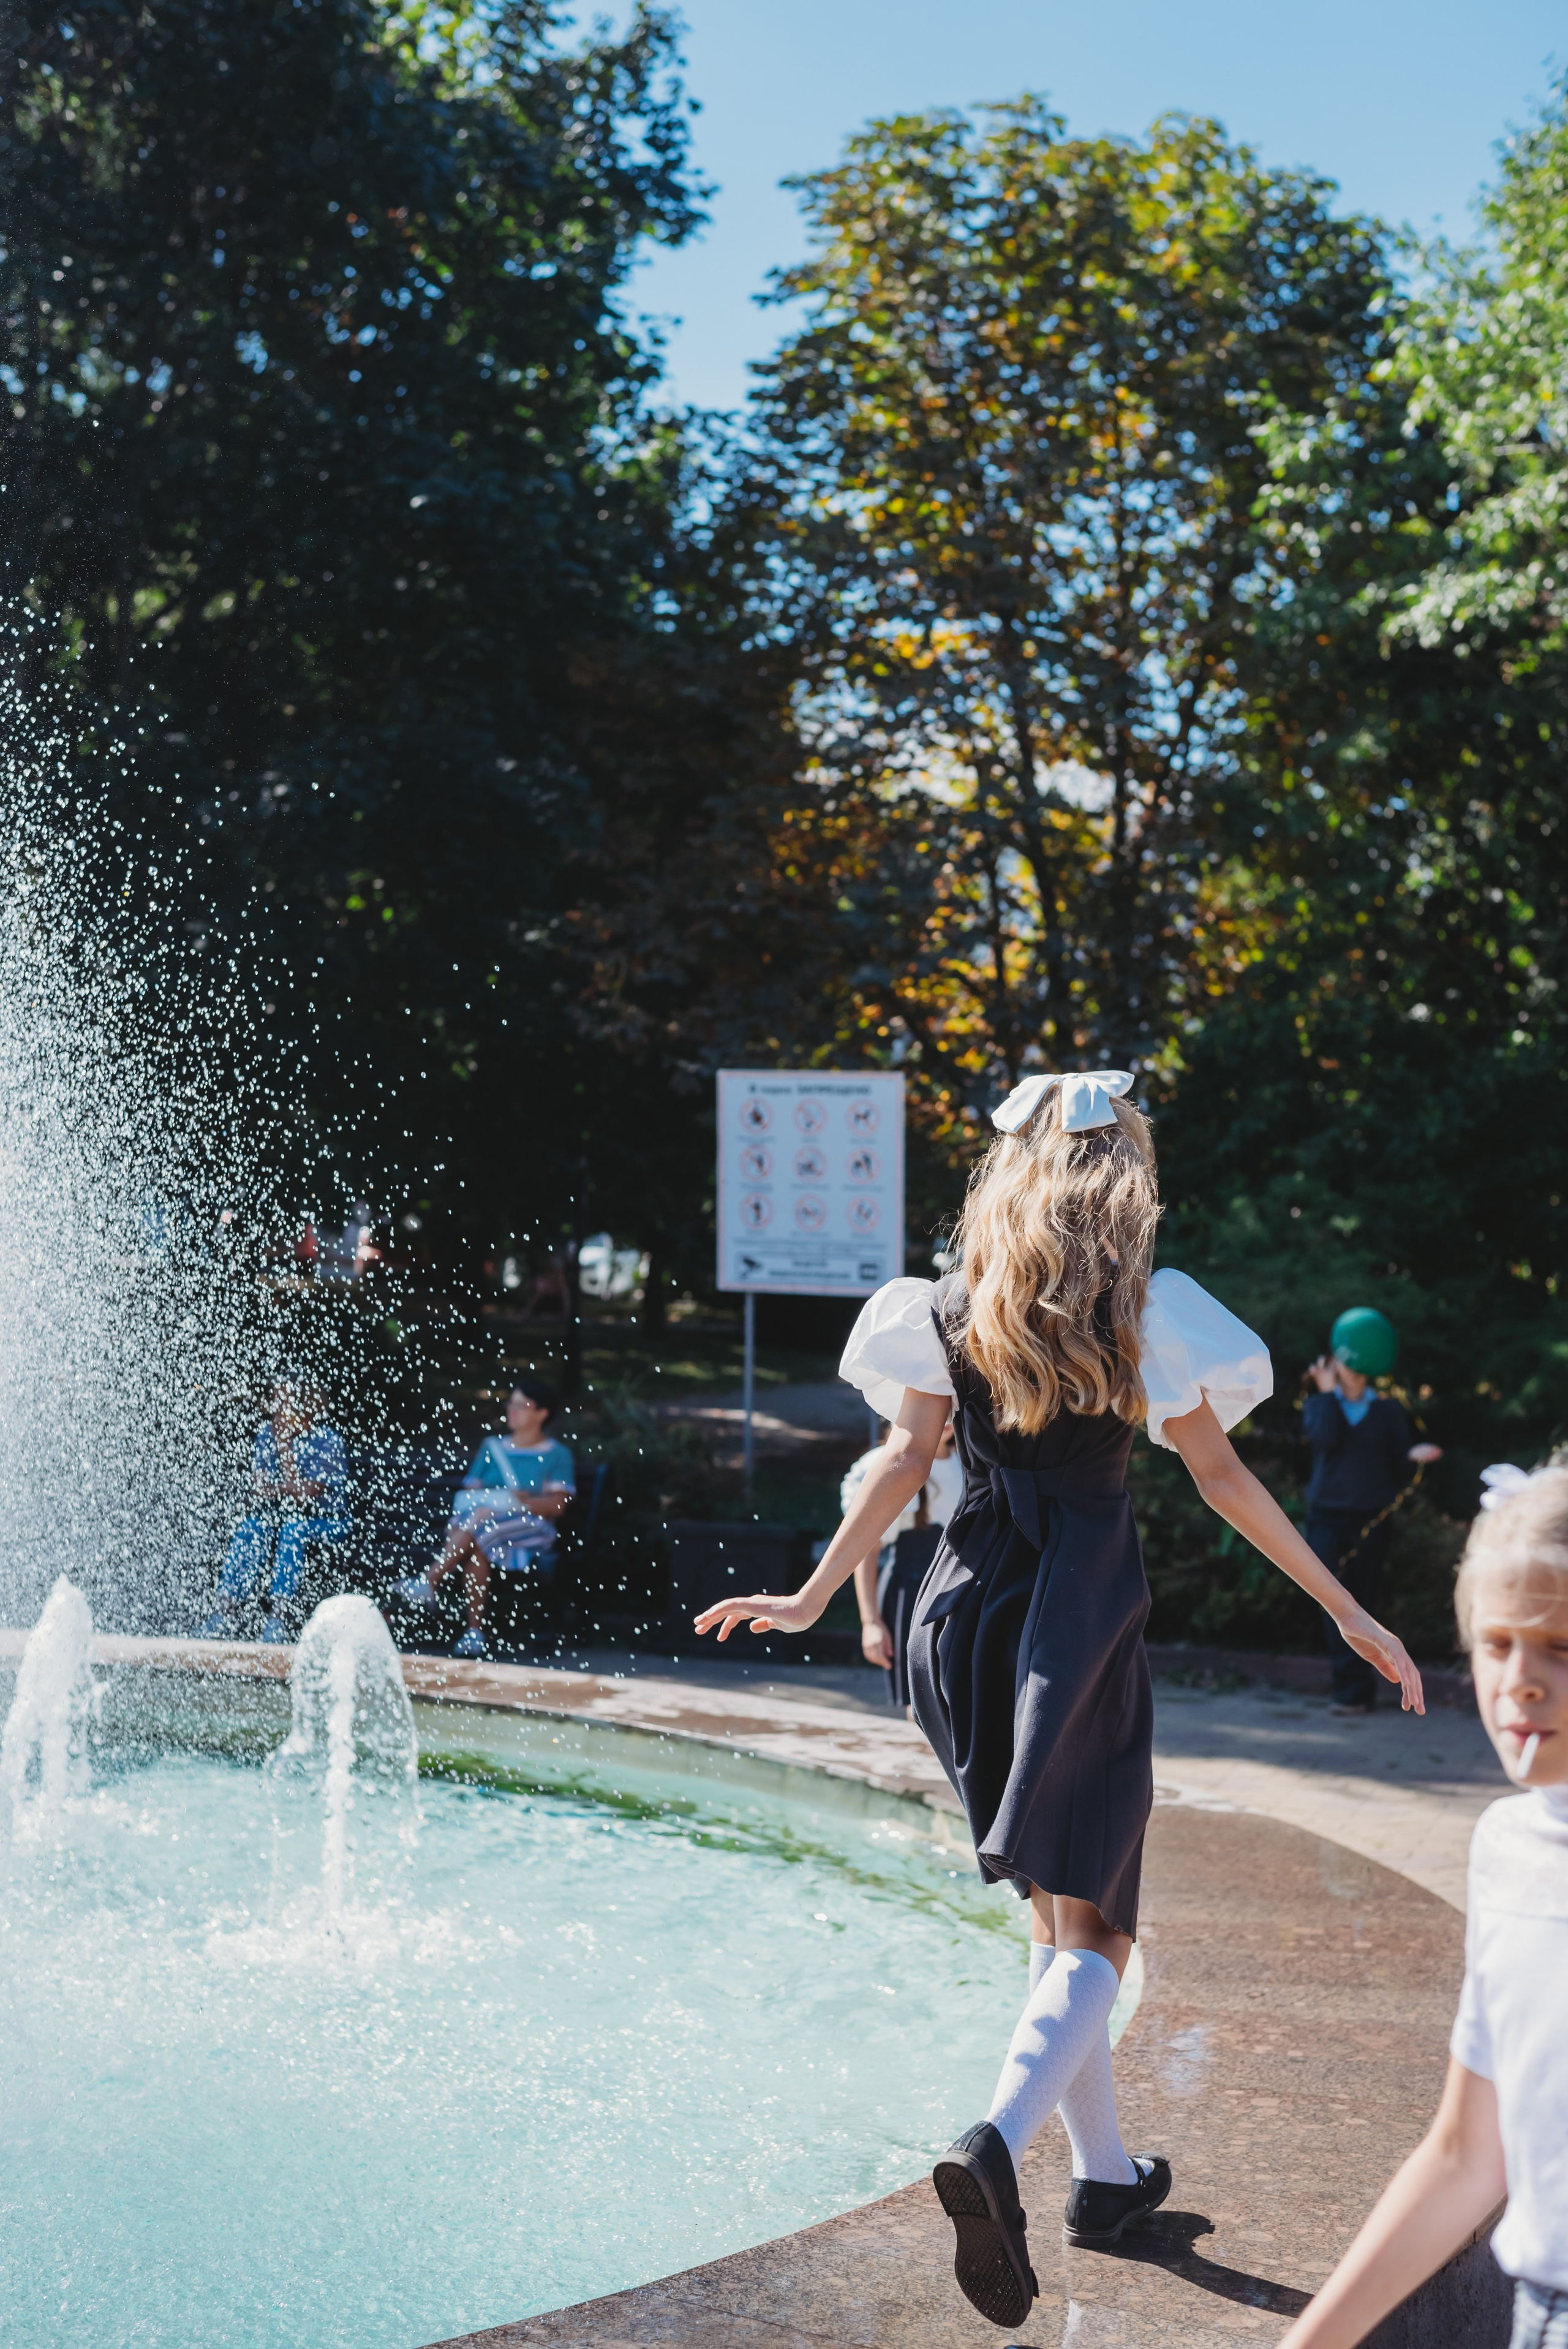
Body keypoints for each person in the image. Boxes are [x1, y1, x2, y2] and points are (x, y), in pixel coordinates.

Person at [695, 1068, 1425, 2332]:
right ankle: (995, 2142)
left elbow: (903, 1461)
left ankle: (1105, 2184)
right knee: (1103, 1932)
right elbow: (1221, 1480)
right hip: (1073, 1629)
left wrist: (814, 1596)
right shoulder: (1144, 1311)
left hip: (959, 1622)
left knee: (1060, 1912)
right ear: (1124, 1176)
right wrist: (1346, 1608)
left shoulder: (948, 1303)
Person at [1276, 1461, 1568, 2349]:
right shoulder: (1506, 1848)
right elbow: (1467, 2154)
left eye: (1562, 1646)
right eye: (1497, 1642)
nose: (1521, 1679)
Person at [1303, 1307, 1442, 1713]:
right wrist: (1326, 1392)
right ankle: (1346, 1691)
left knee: (1364, 1601)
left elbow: (1398, 1466)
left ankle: (1361, 1692)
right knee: (1334, 1603)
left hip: (1371, 1518)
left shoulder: (1388, 1411)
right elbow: (1325, 1438)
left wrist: (1414, 1455)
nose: (1354, 1372)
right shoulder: (1319, 1405)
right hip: (1326, 1517)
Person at [392, 1381, 574, 1659]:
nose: (512, 1410)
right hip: (481, 1530)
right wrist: (491, 1504)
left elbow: (557, 1506)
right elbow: (471, 1492)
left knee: (479, 1525)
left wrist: (518, 1502)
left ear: (542, 1413)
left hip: (528, 1531)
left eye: (521, 1405)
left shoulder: (556, 1455)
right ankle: (473, 1633)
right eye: (511, 1404)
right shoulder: (492, 1447)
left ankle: (431, 1581)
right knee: (479, 1542)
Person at [199, 1381, 352, 1644]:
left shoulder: (328, 1441)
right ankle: (223, 1613)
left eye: (284, 1401)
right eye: (276, 1401)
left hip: (326, 1521)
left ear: (305, 1405)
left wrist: (284, 1446)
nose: (277, 1409)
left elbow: (304, 1498)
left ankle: (278, 1618)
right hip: (279, 1518)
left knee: (294, 1529)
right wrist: (289, 1487)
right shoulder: (265, 1434)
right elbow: (260, 1489)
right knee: (252, 1527)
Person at [848, 1416, 962, 1709]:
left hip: (961, 1592)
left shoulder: (969, 1462)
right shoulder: (890, 1465)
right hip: (911, 1594)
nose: (944, 1417)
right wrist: (871, 1622)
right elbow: (867, 1550)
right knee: (923, 1704)